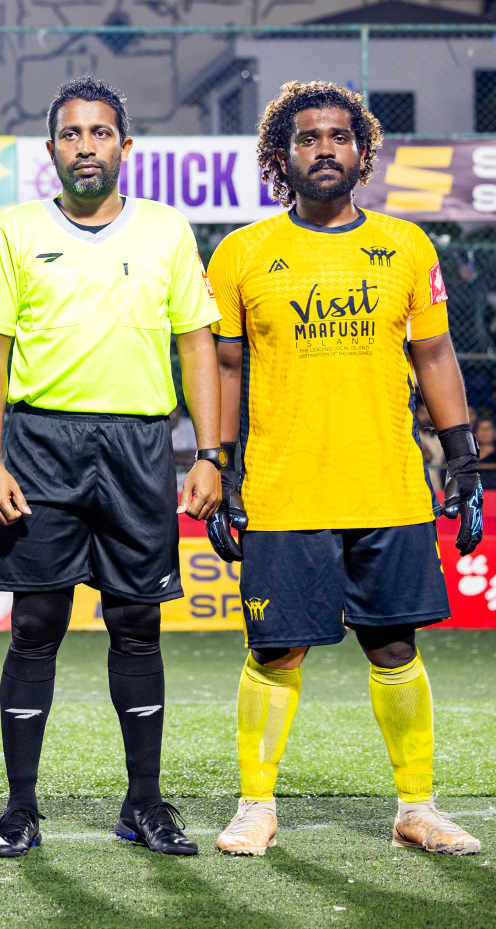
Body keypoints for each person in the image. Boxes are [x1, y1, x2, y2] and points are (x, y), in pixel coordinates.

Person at [206, 81, 483, 856]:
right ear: (280, 155)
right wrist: (220, 474)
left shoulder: (406, 245)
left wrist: (465, 468)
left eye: (338, 136)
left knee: (395, 647)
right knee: (273, 651)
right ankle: (255, 806)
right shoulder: (242, 253)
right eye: (306, 138)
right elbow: (226, 371)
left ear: (362, 152)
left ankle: (417, 807)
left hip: (387, 484)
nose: (323, 148)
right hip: (284, 489)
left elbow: (435, 356)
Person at [0, 77, 222, 858]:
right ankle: (20, 809)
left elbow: (197, 344)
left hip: (139, 448)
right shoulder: (13, 231)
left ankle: (144, 804)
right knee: (35, 625)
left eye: (100, 133)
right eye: (71, 134)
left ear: (124, 146)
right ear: (51, 151)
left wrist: (209, 453)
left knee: (136, 625)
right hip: (41, 446)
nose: (86, 146)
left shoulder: (167, 232)